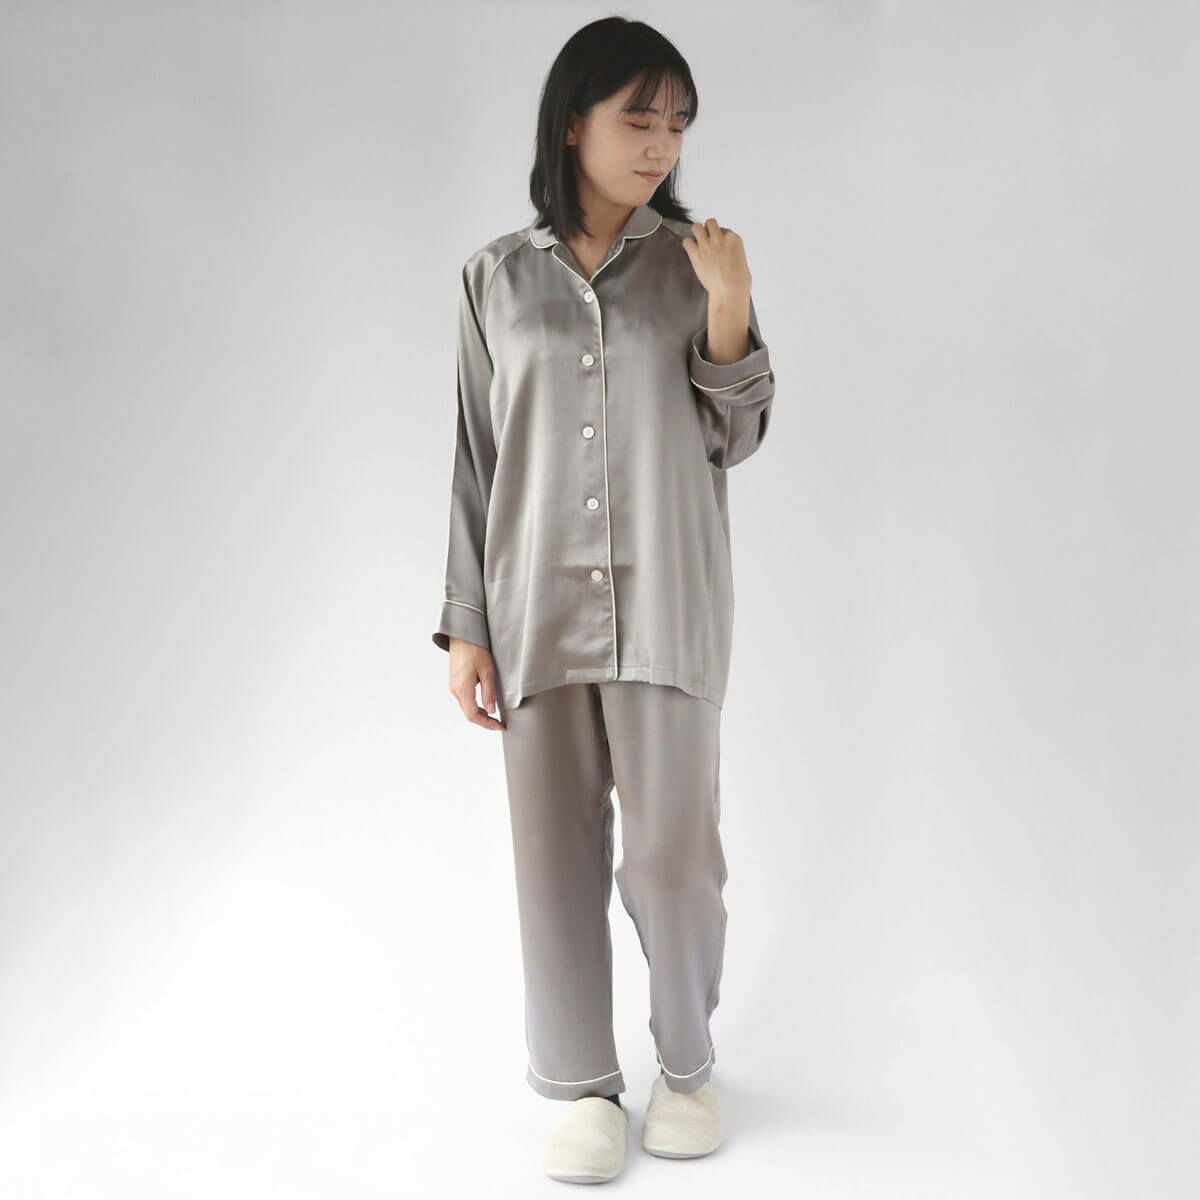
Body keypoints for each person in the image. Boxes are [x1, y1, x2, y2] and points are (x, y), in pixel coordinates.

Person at [432, 16, 776, 1183]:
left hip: (669, 603)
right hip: (533, 609)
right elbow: (477, 458)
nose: (661, 144)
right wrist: (466, 625)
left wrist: (730, 304)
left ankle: (686, 1065)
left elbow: (738, 433)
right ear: (573, 122)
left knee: (675, 859)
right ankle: (583, 1085)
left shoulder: (698, 265)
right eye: (639, 119)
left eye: (677, 123)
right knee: (553, 860)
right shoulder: (494, 277)